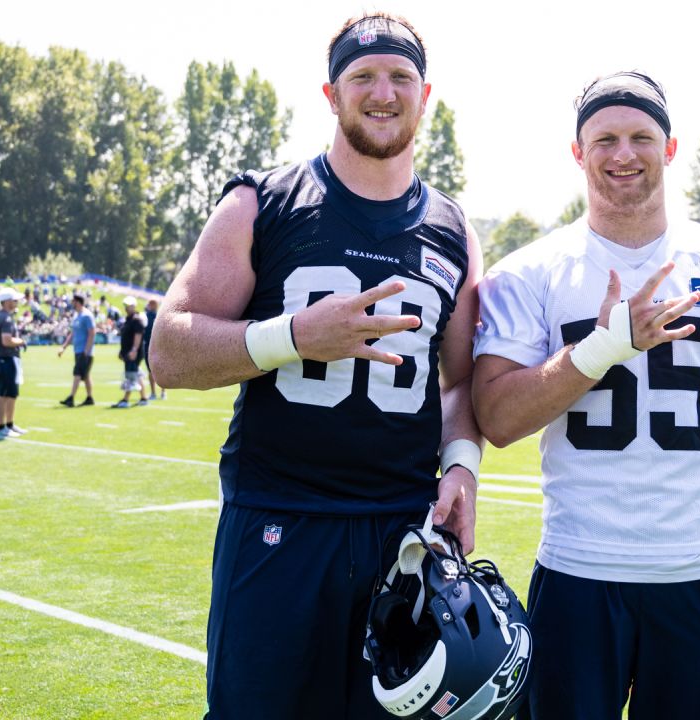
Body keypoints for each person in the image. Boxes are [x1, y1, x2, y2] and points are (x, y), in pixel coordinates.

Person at [149, 13, 483, 718]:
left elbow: (459, 384)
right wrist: (293, 336)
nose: (382, 92)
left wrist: (460, 467)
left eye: (400, 77)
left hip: (403, 533)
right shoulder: (261, 202)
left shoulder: (454, 231)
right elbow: (169, 349)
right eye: (362, 76)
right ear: (331, 94)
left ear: (427, 96)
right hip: (279, 520)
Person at [471, 72, 700, 720]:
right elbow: (496, 417)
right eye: (605, 139)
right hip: (578, 571)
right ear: (578, 152)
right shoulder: (533, 272)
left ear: (670, 147)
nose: (622, 154)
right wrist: (600, 349)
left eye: (639, 138)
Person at [0, 287, 26, 439]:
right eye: (14, 300)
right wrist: (21, 341)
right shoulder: (5, 318)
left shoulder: (3, 317)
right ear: (6, 302)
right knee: (4, 394)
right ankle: (1, 427)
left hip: (8, 359)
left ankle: (9, 424)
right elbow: (6, 340)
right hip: (6, 359)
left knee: (12, 394)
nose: (17, 302)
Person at [57, 294, 96, 406]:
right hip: (78, 350)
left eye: (73, 301)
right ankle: (89, 398)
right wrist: (63, 347)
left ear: (78, 302)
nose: (72, 303)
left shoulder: (87, 315)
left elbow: (92, 332)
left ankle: (71, 397)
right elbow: (73, 334)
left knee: (77, 373)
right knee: (86, 375)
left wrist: (86, 350)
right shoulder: (76, 316)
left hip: (85, 351)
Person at [112, 296, 149, 408]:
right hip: (128, 351)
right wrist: (122, 351)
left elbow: (138, 336)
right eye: (126, 306)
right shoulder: (128, 319)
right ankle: (144, 398)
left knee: (130, 375)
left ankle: (125, 400)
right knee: (136, 374)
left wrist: (134, 350)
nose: (127, 308)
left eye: (129, 306)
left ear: (134, 306)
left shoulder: (137, 320)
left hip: (133, 352)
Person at [141, 298, 164, 400]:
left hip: (156, 345)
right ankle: (156, 392)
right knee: (153, 370)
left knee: (158, 370)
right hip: (152, 345)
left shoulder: (158, 316)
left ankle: (159, 392)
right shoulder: (153, 316)